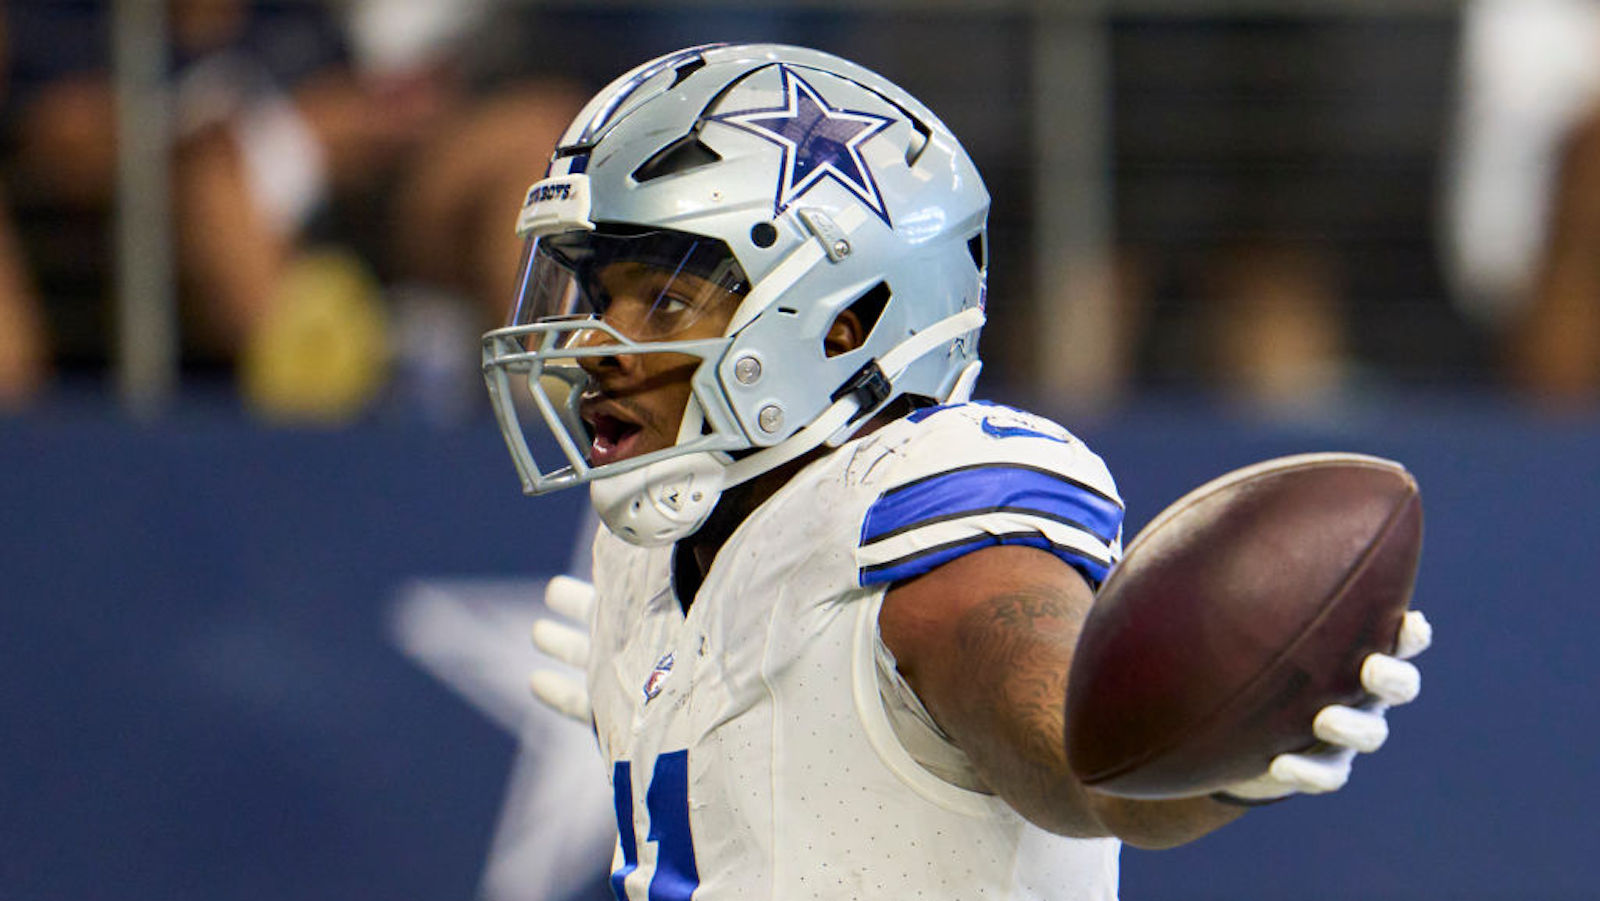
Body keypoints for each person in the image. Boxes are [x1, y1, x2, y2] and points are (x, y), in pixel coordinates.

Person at [480, 44, 1431, 899]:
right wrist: (680, 692)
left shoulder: (926, 514)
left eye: (667, 300)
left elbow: (1084, 767)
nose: (599, 346)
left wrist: (1208, 747)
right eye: (601, 297)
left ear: (840, 322)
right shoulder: (660, 552)